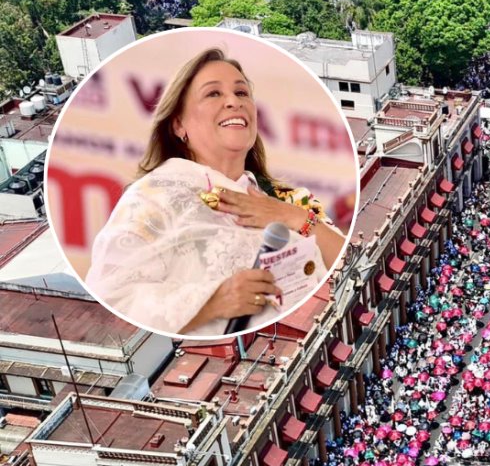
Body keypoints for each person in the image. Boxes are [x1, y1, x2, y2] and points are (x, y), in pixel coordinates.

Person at [86, 48, 345, 335]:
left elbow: (354, 266)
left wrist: (292, 216)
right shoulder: (152, 198)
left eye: (242, 93)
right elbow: (111, 299)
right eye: (213, 94)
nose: (233, 102)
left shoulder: (288, 198)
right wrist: (212, 302)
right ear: (178, 124)